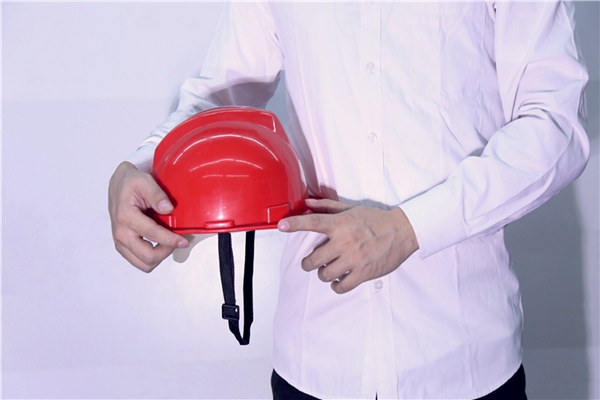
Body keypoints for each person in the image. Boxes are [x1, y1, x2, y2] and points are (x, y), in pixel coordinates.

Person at [108, 2, 589, 399]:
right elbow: (222, 95)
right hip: (316, 357)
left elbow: (556, 124)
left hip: (462, 360)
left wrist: (409, 229)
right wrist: (144, 165)